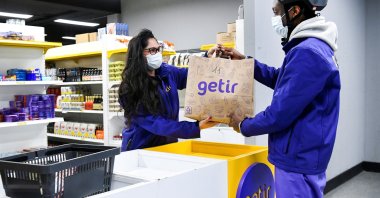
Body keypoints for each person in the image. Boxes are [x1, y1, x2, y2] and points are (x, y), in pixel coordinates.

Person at [208, 0, 340, 197]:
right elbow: (284, 81)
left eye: (277, 12)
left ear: (294, 11)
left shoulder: (308, 52)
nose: (275, 19)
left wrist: (243, 125)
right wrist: (246, 62)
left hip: (297, 159)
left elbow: (279, 114)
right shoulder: (314, 46)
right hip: (303, 154)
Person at [118, 29, 216, 151]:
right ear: (139, 54)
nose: (157, 54)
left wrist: (206, 59)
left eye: (158, 49)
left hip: (167, 145)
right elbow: (157, 123)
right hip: (141, 149)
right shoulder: (130, 88)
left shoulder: (166, 72)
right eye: (152, 50)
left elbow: (190, 76)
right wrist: (195, 127)